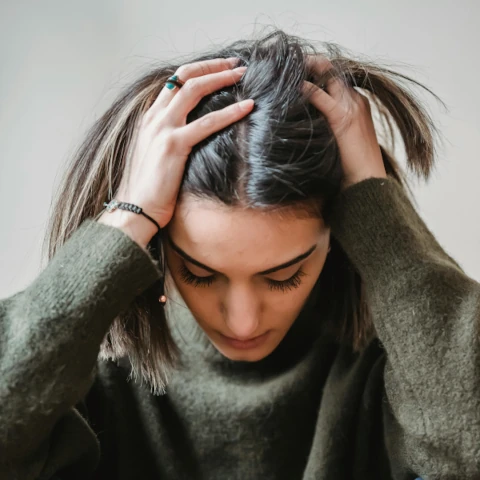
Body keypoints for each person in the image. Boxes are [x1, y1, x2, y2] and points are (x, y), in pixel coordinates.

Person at [1, 28, 478, 480]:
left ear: (337, 235)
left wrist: (378, 207)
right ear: (158, 242)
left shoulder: (404, 373)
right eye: (200, 273)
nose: (243, 322)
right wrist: (129, 214)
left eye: (284, 276)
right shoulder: (87, 376)